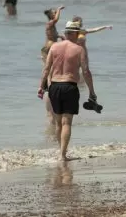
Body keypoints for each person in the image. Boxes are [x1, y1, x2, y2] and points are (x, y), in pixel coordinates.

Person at [38, 20, 96, 161]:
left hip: (55, 87)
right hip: (70, 86)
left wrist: (41, 86)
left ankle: (61, 152)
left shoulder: (54, 47)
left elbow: (46, 69)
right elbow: (86, 72)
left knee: (58, 123)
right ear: (75, 34)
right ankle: (63, 154)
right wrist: (91, 92)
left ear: (65, 33)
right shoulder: (79, 49)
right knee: (67, 122)